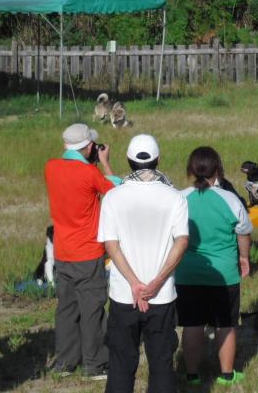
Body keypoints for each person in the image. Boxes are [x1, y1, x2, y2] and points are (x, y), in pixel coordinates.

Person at [98, 134, 189, 393]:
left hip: (124, 294)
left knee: (120, 362)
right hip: (161, 296)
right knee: (161, 363)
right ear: (158, 160)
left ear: (128, 161)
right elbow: (182, 242)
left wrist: (134, 283)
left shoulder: (114, 197)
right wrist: (156, 282)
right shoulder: (175, 197)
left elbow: (111, 245)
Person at [175, 146, 252, 386]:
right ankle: (227, 375)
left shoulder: (180, 198)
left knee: (192, 324)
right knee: (225, 325)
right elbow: (244, 232)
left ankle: (192, 375)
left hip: (187, 273)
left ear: (190, 170)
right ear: (217, 169)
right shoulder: (230, 199)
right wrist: (244, 257)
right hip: (224, 274)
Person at [44, 123, 116, 379]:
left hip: (63, 252)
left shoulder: (51, 167)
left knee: (66, 308)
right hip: (88, 252)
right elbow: (115, 192)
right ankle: (94, 364)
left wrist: (90, 160)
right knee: (92, 308)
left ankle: (65, 362)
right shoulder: (90, 173)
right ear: (89, 146)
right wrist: (104, 162)